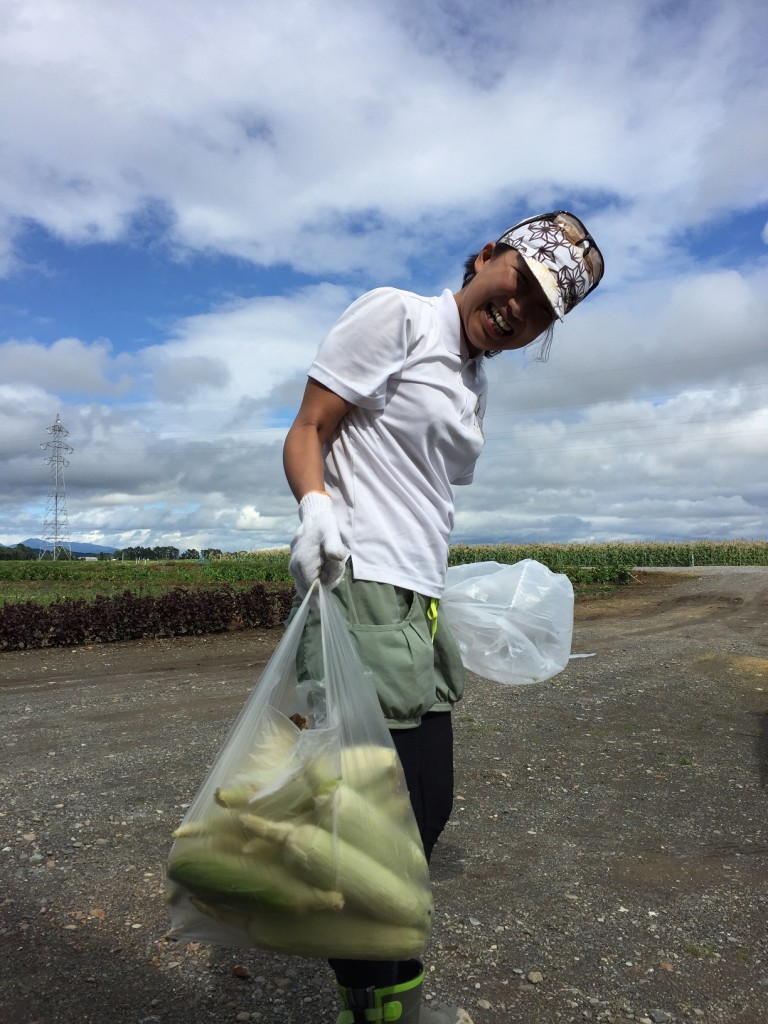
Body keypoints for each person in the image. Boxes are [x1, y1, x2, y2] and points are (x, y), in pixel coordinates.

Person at [282, 211, 604, 1024]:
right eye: (519, 281)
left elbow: (420, 484)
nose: (518, 308)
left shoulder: (472, 377)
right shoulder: (398, 315)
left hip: (418, 604)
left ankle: (369, 978)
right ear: (487, 256)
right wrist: (316, 507)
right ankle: (387, 1003)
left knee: (427, 807)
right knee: (379, 829)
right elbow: (309, 428)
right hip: (362, 591)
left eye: (541, 310)